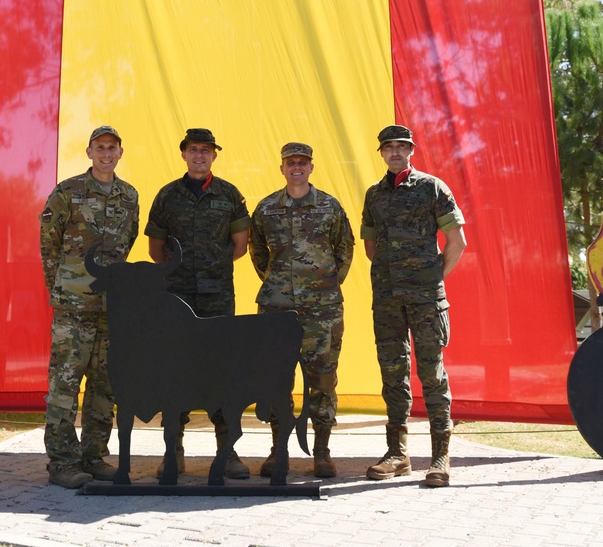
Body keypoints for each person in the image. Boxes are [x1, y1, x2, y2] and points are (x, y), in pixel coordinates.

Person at [362, 125, 467, 487]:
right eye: (388, 147)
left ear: (411, 150)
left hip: (425, 301)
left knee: (432, 375)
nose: (394, 152)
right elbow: (371, 246)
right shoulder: (374, 195)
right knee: (393, 375)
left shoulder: (431, 188)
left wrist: (433, 277)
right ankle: (397, 454)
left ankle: (440, 456)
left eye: (401, 147)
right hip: (387, 300)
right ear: (381, 153)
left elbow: (457, 240)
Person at [146, 127, 251, 479]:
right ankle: (172, 453)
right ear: (184, 154)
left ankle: (229, 452)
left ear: (214, 156)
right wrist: (175, 276)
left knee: (221, 372)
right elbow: (155, 249)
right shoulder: (166, 197)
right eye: (194, 150)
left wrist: (213, 268)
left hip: (217, 296)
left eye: (206, 150)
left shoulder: (230, 195)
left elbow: (240, 245)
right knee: (174, 372)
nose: (200, 156)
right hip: (176, 299)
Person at [40, 125, 139, 488]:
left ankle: (94, 456)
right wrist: (61, 287)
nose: (106, 154)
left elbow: (127, 244)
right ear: (89, 152)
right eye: (100, 148)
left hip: (113, 308)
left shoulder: (129, 196)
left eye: (112, 148)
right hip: (73, 304)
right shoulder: (68, 192)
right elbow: (48, 243)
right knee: (65, 383)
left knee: (105, 384)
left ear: (120, 153)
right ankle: (63, 463)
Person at [249, 141, 353, 478]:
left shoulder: (329, 207)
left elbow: (344, 250)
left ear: (311, 167)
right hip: (277, 311)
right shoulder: (266, 209)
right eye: (291, 162)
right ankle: (278, 450)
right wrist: (279, 283)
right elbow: (258, 254)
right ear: (282, 168)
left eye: (303, 163)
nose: (297, 167)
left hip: (322, 311)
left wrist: (322, 285)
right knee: (276, 381)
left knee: (322, 380)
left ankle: (322, 452)